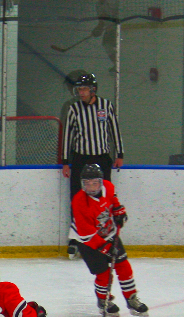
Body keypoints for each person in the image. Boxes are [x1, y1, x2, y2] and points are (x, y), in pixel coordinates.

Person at [69, 163, 148, 317]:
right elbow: (86, 233)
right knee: (104, 274)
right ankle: (103, 300)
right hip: (87, 242)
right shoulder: (79, 201)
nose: (91, 187)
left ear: (101, 181)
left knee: (124, 266)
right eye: (87, 184)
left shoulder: (108, 187)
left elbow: (114, 202)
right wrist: (105, 248)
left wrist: (119, 211)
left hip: (109, 233)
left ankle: (131, 298)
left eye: (95, 183)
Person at [61, 73, 124, 259]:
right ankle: (75, 238)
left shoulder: (106, 106)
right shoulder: (74, 109)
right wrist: (65, 161)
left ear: (93, 90)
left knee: (103, 198)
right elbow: (68, 135)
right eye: (79, 89)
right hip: (81, 159)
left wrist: (119, 154)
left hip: (102, 158)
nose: (81, 92)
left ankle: (104, 235)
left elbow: (114, 130)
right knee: (77, 198)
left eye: (84, 89)